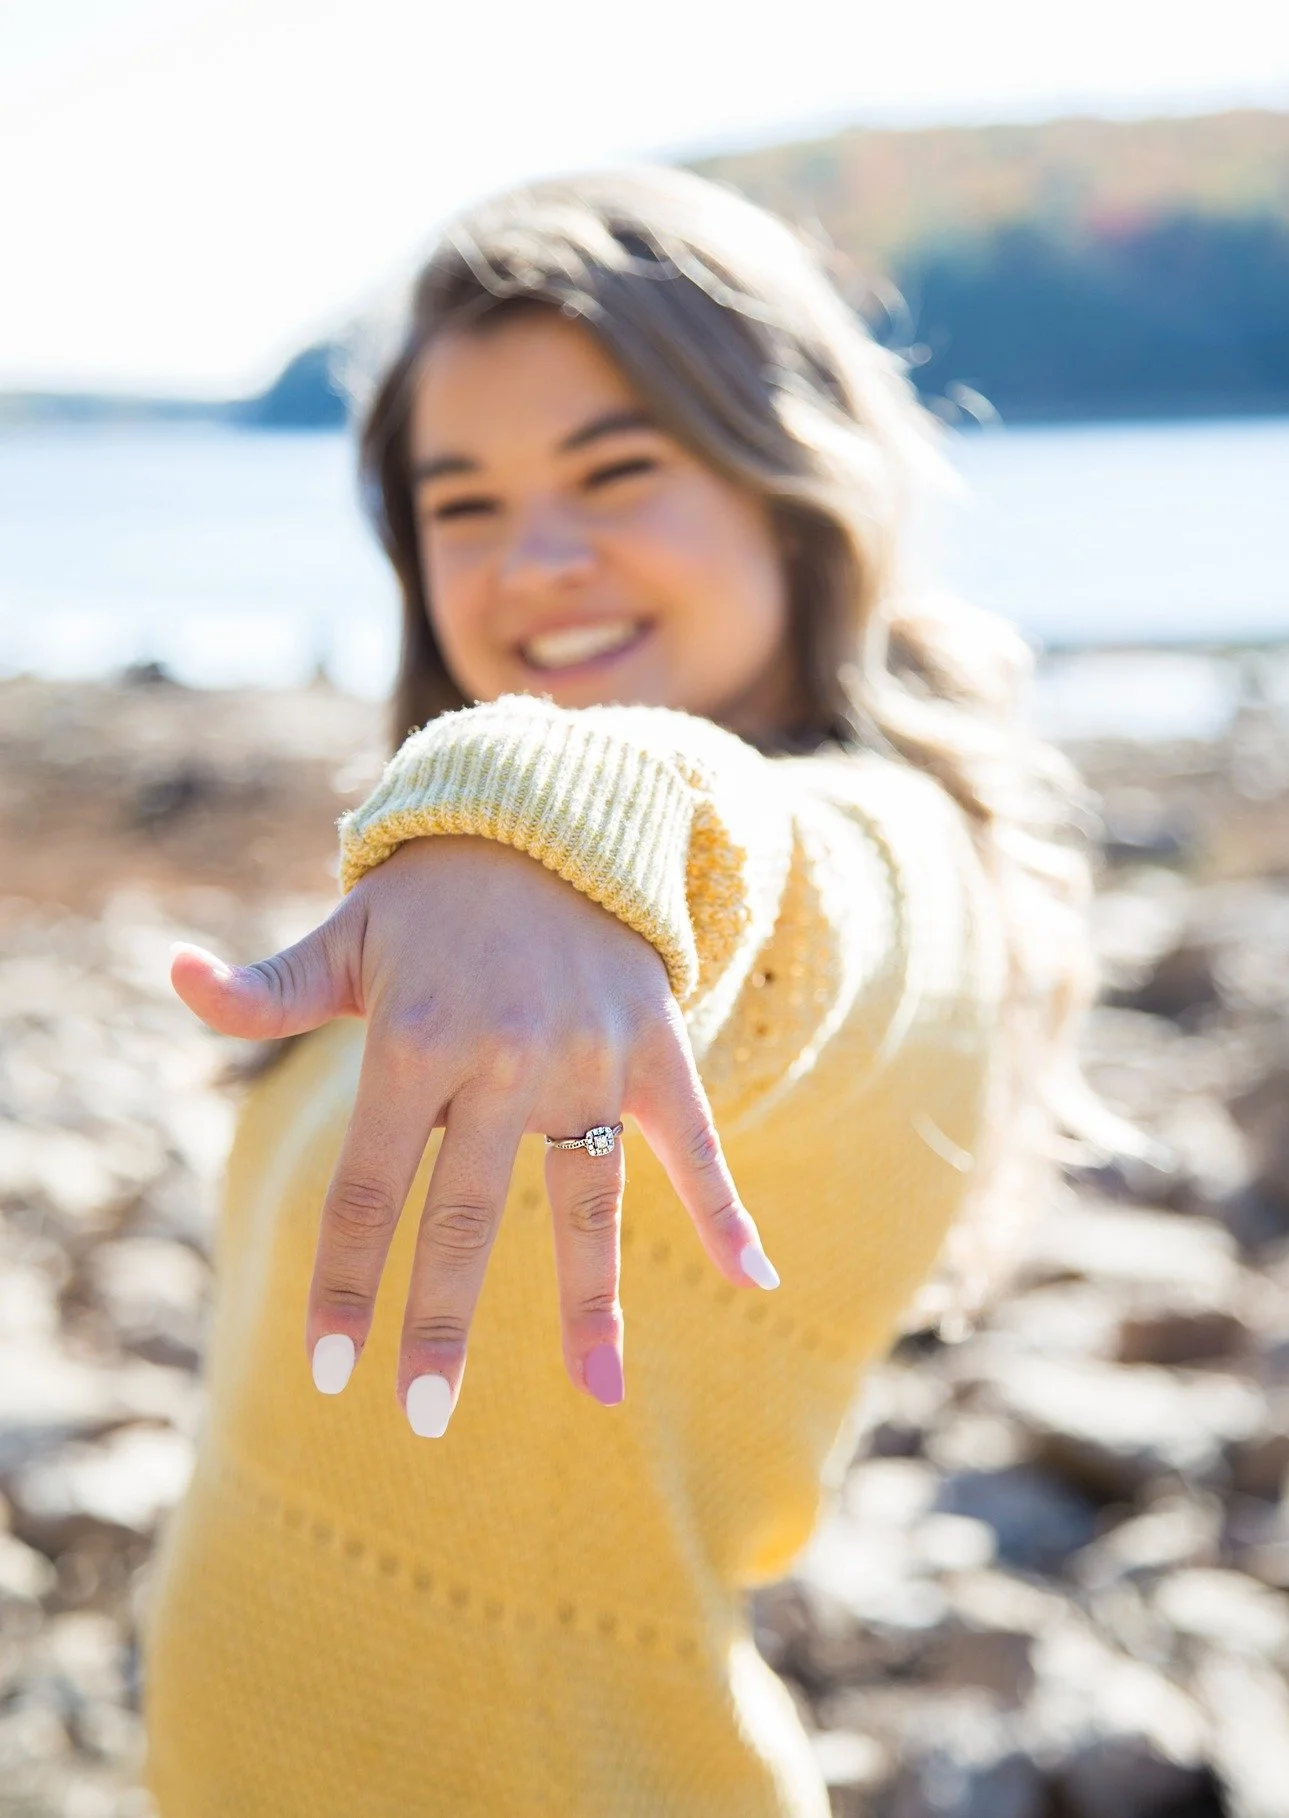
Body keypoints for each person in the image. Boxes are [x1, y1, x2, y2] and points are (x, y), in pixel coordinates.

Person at [139, 164, 1105, 1816]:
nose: (536, 560)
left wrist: (589, 822)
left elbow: (802, 891)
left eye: (617, 470)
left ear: (789, 483)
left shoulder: (890, 861)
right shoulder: (461, 911)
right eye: (461, 504)